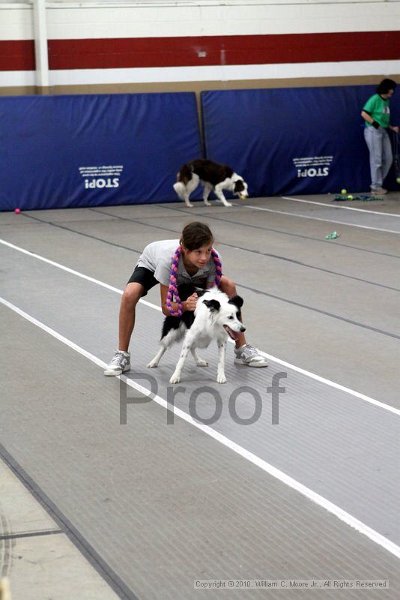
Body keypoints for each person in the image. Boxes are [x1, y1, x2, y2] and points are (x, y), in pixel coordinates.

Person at [104, 221, 268, 376]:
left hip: (193, 272)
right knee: (129, 294)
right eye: (199, 252)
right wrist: (183, 305)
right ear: (185, 249)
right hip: (153, 265)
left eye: (208, 250)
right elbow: (167, 309)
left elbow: (212, 296)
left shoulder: (212, 260)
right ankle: (122, 355)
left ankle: (242, 348)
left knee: (229, 285)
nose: (204, 257)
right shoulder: (166, 260)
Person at [361, 78, 399, 194]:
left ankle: (378, 183)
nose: (393, 91)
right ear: (386, 89)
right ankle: (375, 186)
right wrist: (375, 124)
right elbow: (364, 113)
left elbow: (383, 118)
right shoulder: (375, 99)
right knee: (376, 159)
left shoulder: (386, 101)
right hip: (373, 131)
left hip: (383, 131)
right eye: (391, 89)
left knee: (388, 158)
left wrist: (391, 127)